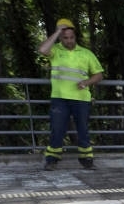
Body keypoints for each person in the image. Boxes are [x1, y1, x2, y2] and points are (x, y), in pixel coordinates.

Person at [38, 18, 104, 170]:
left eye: (71, 37)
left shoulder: (86, 54)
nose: (69, 41)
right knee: (57, 129)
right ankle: (52, 161)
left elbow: (99, 75)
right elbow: (42, 50)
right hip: (59, 98)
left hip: (81, 98)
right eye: (65, 37)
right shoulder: (55, 50)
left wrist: (86, 82)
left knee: (83, 130)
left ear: (76, 37)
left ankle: (87, 161)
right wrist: (56, 32)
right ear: (61, 37)